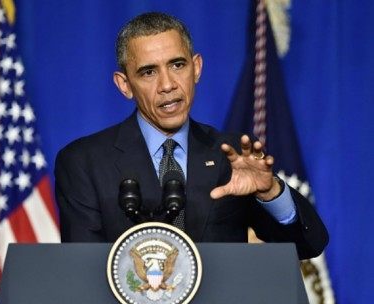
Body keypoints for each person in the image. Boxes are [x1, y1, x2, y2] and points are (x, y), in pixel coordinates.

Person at [55, 12, 328, 260]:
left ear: (196, 68)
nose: (167, 85)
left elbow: (308, 245)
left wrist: (270, 192)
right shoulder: (84, 162)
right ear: (125, 85)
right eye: (149, 72)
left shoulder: (229, 156)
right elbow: (83, 273)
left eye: (177, 65)